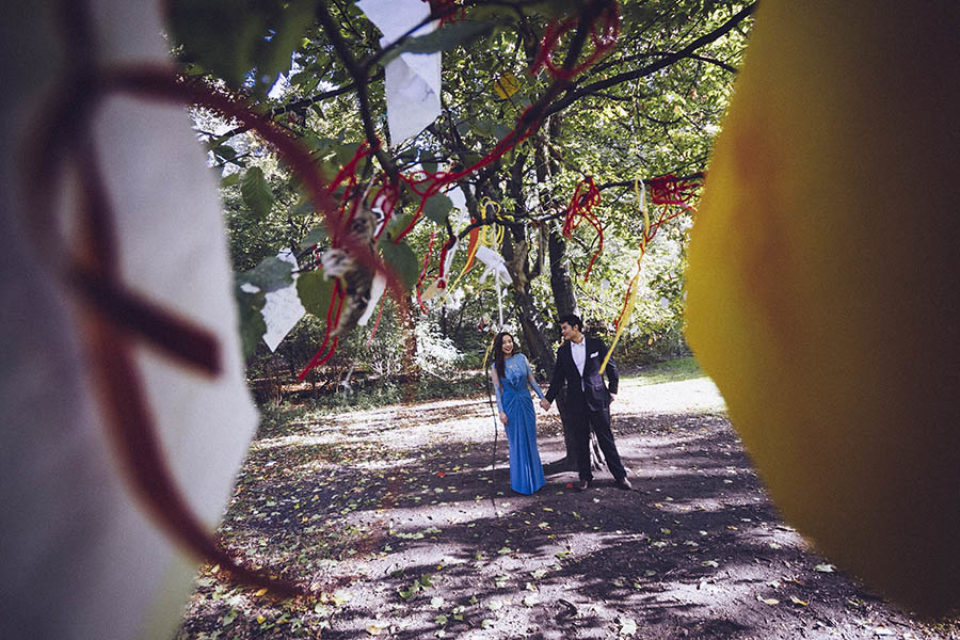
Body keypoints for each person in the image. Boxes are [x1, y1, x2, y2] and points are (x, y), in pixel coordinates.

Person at [540, 314, 632, 491]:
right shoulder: (563, 351)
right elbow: (558, 378)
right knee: (580, 441)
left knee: (606, 439)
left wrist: (613, 391)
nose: (563, 332)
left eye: (565, 328)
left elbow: (611, 367)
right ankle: (585, 478)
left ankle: (620, 476)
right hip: (576, 401)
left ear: (576, 327)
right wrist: (548, 399)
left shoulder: (596, 344)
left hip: (598, 399)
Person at [491, 332, 546, 494]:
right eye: (504, 343)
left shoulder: (522, 358)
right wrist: (501, 412)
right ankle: (521, 483)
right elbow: (498, 390)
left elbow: (532, 380)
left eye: (510, 341)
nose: (508, 345)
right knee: (516, 442)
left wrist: (542, 398)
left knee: (530, 439)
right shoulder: (496, 366)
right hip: (509, 404)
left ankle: (536, 481)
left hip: (525, 401)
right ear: (499, 346)